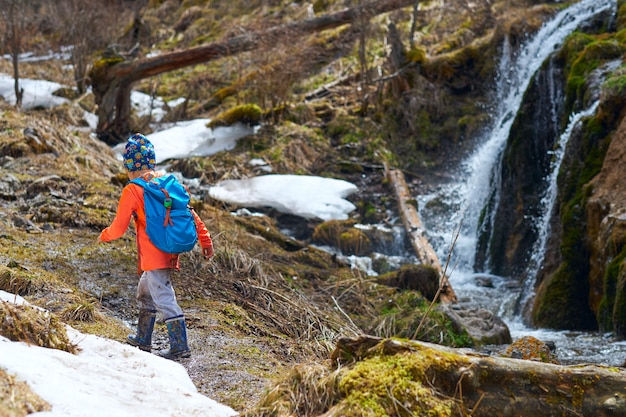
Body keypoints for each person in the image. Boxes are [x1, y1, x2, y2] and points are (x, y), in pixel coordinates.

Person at [98, 133, 214, 360]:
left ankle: (180, 346)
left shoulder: (133, 189)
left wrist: (105, 235)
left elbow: (119, 227)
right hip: (168, 250)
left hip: (154, 255)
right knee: (145, 291)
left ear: (129, 165)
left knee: (163, 296)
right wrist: (205, 240)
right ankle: (143, 337)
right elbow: (191, 213)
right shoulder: (165, 184)